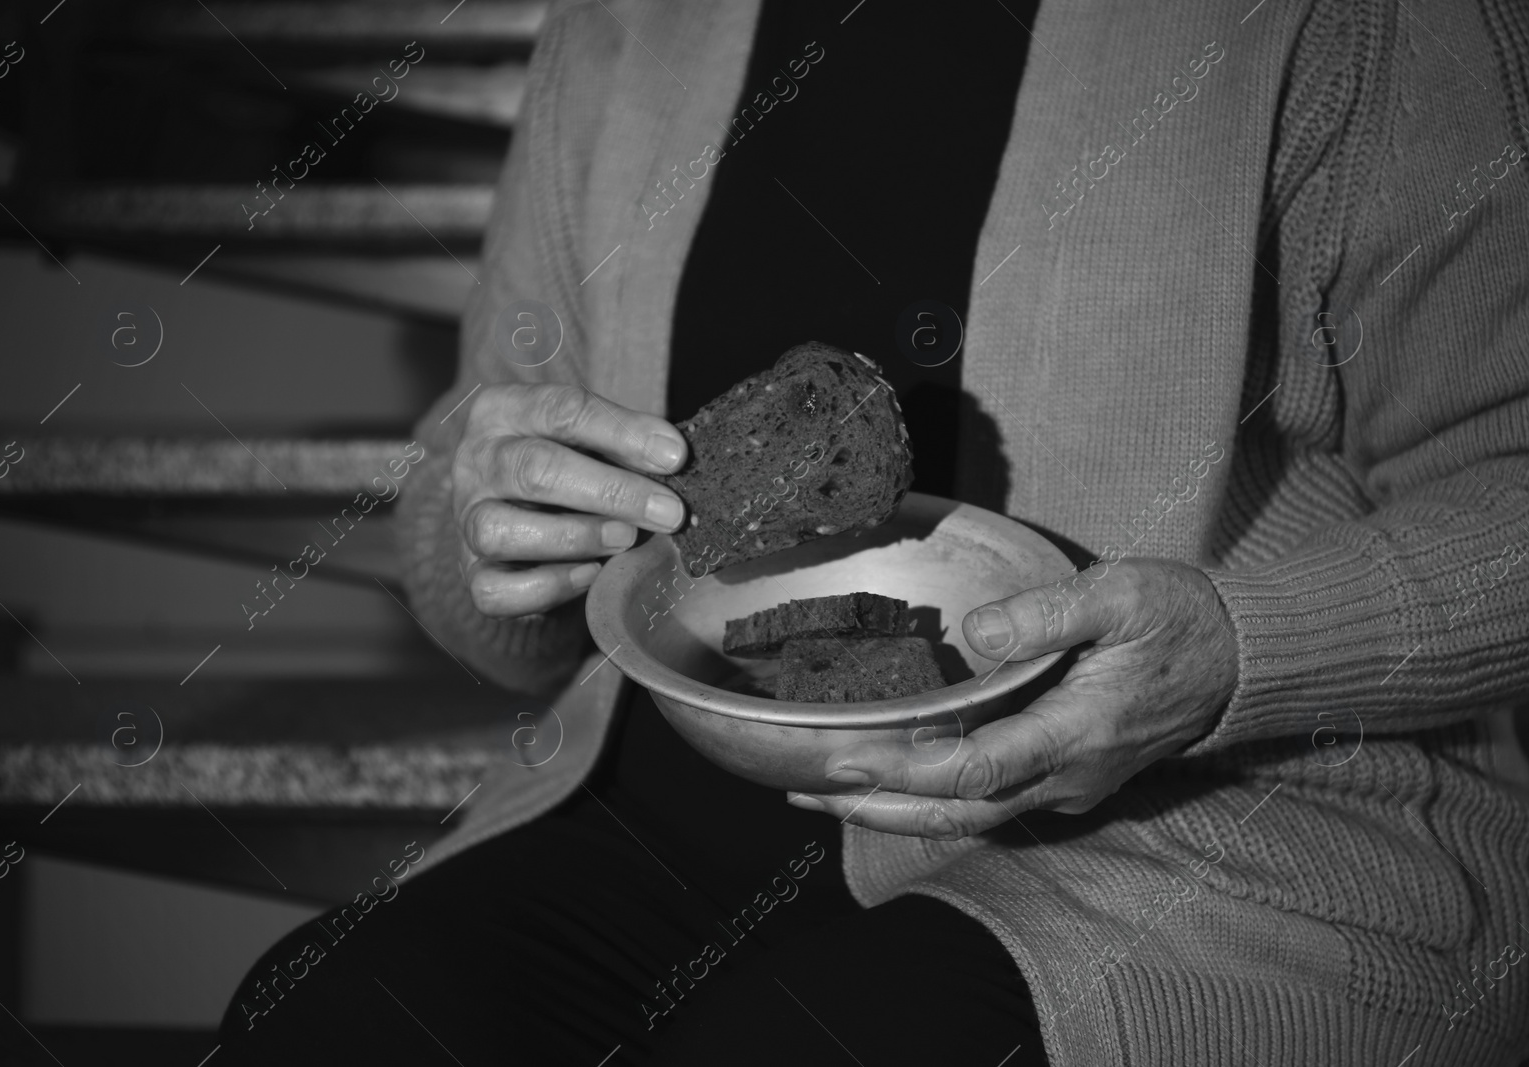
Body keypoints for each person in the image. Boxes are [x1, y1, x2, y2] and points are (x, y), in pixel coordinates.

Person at [221, 0, 1529, 1063]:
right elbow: (485, 518)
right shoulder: (620, 26)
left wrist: (1241, 651)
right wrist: (482, 525)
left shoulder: (1353, 26)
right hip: (638, 809)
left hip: (1180, 841)